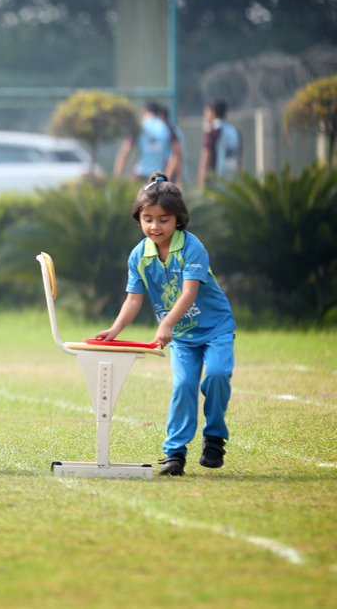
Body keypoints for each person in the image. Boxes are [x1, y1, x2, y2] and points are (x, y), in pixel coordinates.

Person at [94, 172, 235, 476]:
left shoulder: (191, 247)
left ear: (178, 220)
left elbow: (189, 293)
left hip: (215, 328)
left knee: (218, 376)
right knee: (183, 386)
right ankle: (174, 454)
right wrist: (115, 329)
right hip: (183, 337)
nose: (155, 226)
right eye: (148, 219)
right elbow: (133, 299)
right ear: (139, 218)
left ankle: (214, 437)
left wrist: (165, 324)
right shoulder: (139, 255)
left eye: (164, 219)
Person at [113, 101, 173, 181]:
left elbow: (125, 151)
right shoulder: (165, 127)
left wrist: (117, 178)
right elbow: (176, 152)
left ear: (144, 111)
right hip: (158, 176)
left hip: (139, 173)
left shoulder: (140, 126)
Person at [198, 100, 242, 189]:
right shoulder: (235, 131)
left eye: (207, 111)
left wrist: (201, 184)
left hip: (216, 183)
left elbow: (206, 159)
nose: (205, 115)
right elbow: (239, 159)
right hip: (233, 181)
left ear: (213, 112)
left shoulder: (212, 132)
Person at [154, 104, 186, 186]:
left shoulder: (168, 129)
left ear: (161, 116)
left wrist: (177, 178)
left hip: (171, 174)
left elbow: (178, 153)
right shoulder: (171, 128)